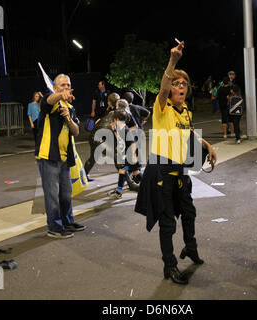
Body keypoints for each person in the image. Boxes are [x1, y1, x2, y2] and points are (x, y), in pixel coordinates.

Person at [135, 42, 217, 285]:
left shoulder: (186, 112)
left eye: (184, 84)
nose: (181, 86)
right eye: (176, 83)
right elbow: (161, 89)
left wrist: (207, 146)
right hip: (161, 169)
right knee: (168, 222)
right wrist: (173, 62)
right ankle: (169, 266)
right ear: (170, 88)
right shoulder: (162, 107)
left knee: (189, 213)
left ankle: (190, 248)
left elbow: (190, 134)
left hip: (180, 170)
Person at [35, 74, 85, 239]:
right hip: (49, 156)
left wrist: (68, 118)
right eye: (62, 85)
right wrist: (59, 96)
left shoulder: (69, 107)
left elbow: (76, 131)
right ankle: (55, 227)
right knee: (52, 194)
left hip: (64, 156)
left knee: (65, 194)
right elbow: (48, 100)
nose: (66, 87)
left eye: (68, 85)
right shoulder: (49, 102)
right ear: (55, 88)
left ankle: (67, 221)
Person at [107, 103, 143, 199]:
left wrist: (133, 157)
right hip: (128, 155)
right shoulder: (120, 128)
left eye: (114, 119)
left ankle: (149, 187)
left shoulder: (126, 130)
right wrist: (114, 130)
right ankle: (118, 192)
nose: (113, 121)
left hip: (131, 155)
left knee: (133, 173)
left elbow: (133, 143)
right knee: (127, 172)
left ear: (117, 120)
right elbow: (119, 139)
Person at [84, 92, 120, 182]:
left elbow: (98, 122)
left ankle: (83, 176)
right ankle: (126, 178)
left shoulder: (109, 112)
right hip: (101, 138)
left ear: (109, 102)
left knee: (93, 158)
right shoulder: (116, 113)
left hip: (96, 136)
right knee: (116, 156)